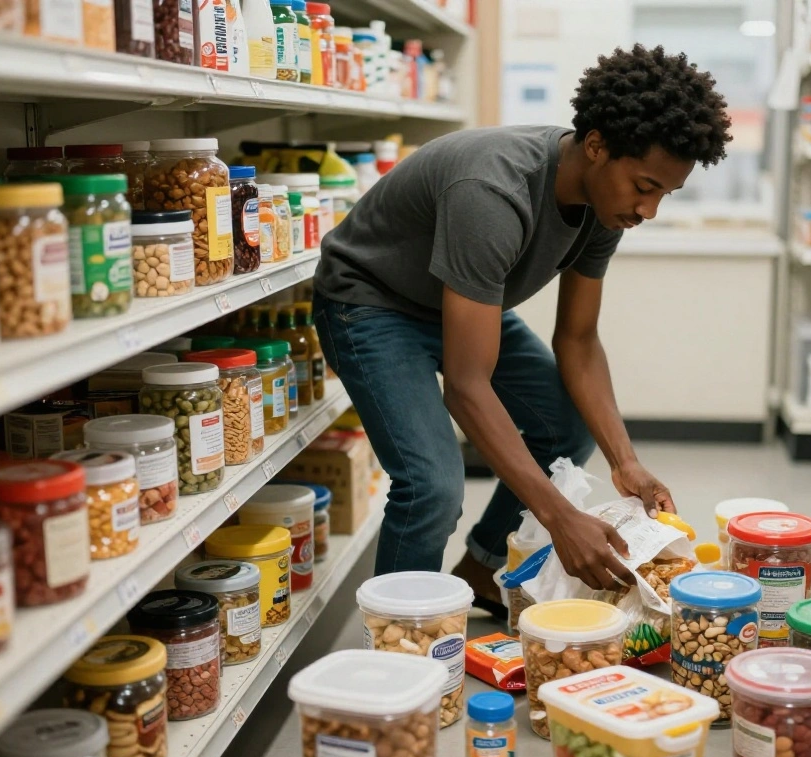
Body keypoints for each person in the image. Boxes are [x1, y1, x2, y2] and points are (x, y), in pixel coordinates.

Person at [313, 45, 732, 611]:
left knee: (566, 429)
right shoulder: (493, 192)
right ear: (596, 146)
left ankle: (482, 571)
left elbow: (578, 341)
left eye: (664, 193)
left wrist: (624, 461)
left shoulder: (604, 206)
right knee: (433, 486)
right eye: (644, 186)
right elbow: (466, 386)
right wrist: (561, 518)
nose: (648, 210)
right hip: (370, 302)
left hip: (453, 301)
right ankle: (394, 644)